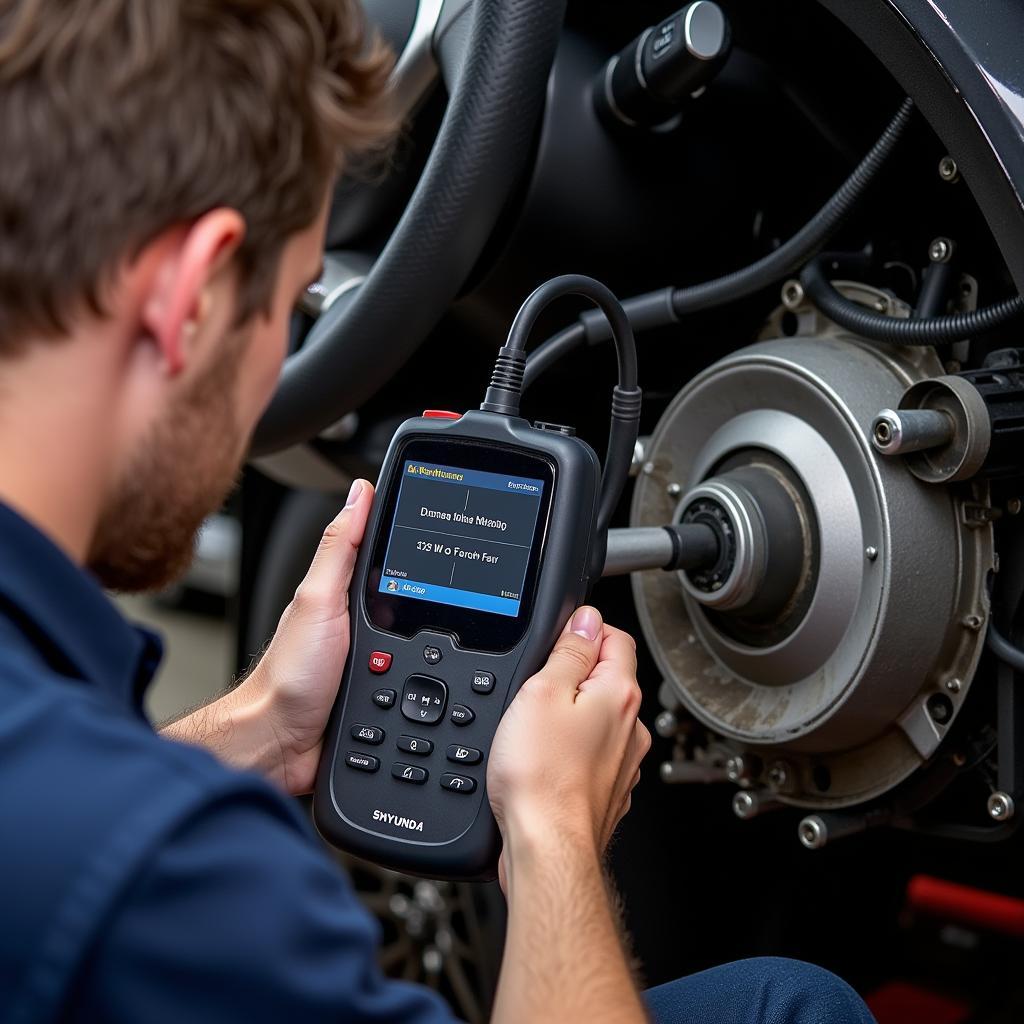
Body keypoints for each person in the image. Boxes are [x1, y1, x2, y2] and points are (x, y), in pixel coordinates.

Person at [0, 2, 876, 1022]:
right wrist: (552, 828)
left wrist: (258, 728)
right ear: (189, 295)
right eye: (288, 310)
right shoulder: (180, 881)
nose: (282, 371)